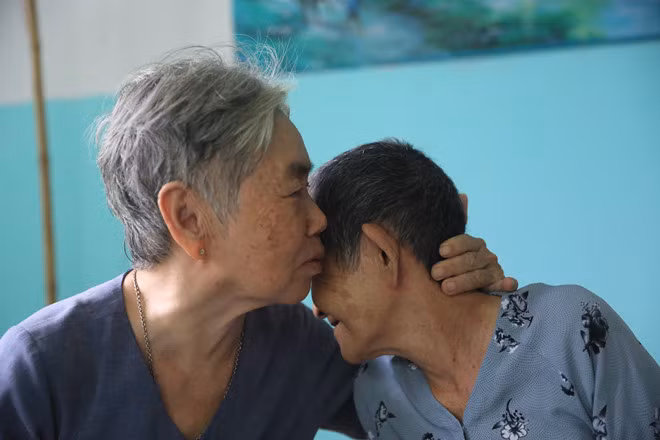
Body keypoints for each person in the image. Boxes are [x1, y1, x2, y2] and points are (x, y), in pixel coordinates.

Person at [0, 48, 516, 439]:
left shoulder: (299, 349)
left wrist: (456, 295)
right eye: (293, 191)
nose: (319, 219)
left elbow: (441, 408)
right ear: (188, 217)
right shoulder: (39, 371)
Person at [311, 140, 660, 440]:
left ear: (382, 253)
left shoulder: (570, 329)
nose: (315, 305)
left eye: (319, 262)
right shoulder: (372, 393)